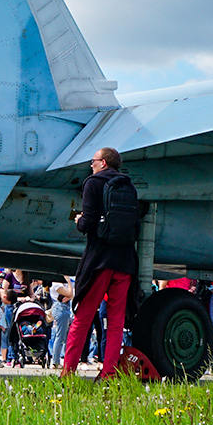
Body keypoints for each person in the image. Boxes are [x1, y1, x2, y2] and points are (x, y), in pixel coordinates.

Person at [60, 147, 139, 378]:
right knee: (115, 322)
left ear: (103, 163)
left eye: (93, 161)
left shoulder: (93, 183)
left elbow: (87, 223)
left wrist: (79, 220)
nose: (90, 165)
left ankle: (68, 373)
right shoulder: (129, 186)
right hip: (125, 261)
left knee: (83, 317)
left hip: (99, 260)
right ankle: (109, 374)